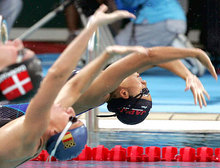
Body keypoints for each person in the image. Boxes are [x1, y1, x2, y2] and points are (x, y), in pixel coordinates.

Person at [0, 5, 136, 167]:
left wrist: (92, 27)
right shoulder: (33, 144)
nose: (72, 110)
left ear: (55, 132)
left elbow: (57, 75)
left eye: (72, 119)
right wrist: (106, 54)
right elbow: (74, 87)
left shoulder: (28, 135)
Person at [54, 46, 217, 125]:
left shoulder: (99, 90)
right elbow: (158, 59)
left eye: (144, 90)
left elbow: (148, 55)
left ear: (124, 94)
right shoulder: (103, 92)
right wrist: (188, 75)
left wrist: (195, 53)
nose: (145, 82)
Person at [114, 0, 206, 77]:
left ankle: (189, 61)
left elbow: (129, 4)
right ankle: (176, 44)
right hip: (175, 19)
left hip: (160, 21)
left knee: (119, 48)